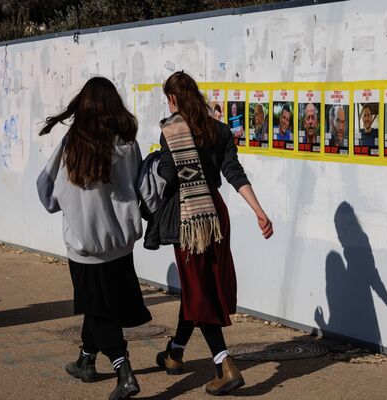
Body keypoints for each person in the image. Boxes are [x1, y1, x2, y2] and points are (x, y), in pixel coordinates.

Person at [155, 71, 273, 396]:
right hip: (216, 214)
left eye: (169, 99)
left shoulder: (172, 131)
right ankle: (176, 352)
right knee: (199, 284)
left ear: (174, 99)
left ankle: (224, 364)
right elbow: (233, 172)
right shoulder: (219, 130)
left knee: (198, 287)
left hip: (191, 217)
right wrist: (259, 210)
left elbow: (167, 175)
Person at [36, 77, 150, 400]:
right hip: (120, 245)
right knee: (99, 301)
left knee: (98, 307)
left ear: (83, 106)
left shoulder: (73, 142)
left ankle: (123, 370)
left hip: (84, 247)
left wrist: (69, 205)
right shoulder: (128, 144)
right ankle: (86, 360)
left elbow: (47, 191)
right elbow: (141, 184)